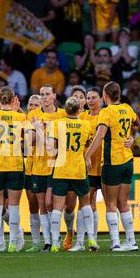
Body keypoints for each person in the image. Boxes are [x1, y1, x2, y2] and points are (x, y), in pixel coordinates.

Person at [85, 81, 139, 252]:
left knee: (111, 204)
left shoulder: (106, 112)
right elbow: (136, 123)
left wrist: (87, 155)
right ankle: (131, 241)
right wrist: (132, 138)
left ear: (105, 96)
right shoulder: (127, 108)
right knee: (124, 203)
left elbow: (100, 136)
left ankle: (115, 242)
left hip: (112, 162)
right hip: (127, 161)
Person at [46, 97, 99, 253]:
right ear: (79, 110)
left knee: (57, 207)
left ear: (66, 109)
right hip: (78, 169)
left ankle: (55, 243)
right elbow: (87, 146)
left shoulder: (57, 124)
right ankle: (91, 238)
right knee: (86, 204)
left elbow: (51, 148)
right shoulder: (86, 125)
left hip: (61, 169)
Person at [0, 87, 31, 252]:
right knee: (13, 206)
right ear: (13, 100)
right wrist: (19, 111)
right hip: (15, 165)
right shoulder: (21, 117)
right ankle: (12, 242)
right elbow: (30, 140)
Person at [27, 85, 67, 252]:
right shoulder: (33, 115)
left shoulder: (63, 114)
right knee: (43, 204)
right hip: (38, 165)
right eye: (42, 94)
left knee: (53, 203)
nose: (44, 97)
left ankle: (58, 239)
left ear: (54, 96)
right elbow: (31, 141)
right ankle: (48, 241)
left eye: (47, 94)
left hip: (57, 165)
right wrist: (37, 129)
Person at [68, 87, 102, 251]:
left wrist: (130, 139)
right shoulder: (80, 119)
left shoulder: (104, 115)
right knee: (82, 204)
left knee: (91, 203)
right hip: (82, 165)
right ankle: (83, 240)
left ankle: (90, 240)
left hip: (101, 163)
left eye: (85, 97)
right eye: (81, 97)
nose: (84, 100)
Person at [24, 94, 42, 253]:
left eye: (36, 105)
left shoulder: (49, 119)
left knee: (48, 205)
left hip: (46, 167)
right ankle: (36, 242)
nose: (32, 107)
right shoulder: (23, 121)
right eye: (30, 104)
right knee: (33, 205)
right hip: (29, 167)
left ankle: (52, 239)